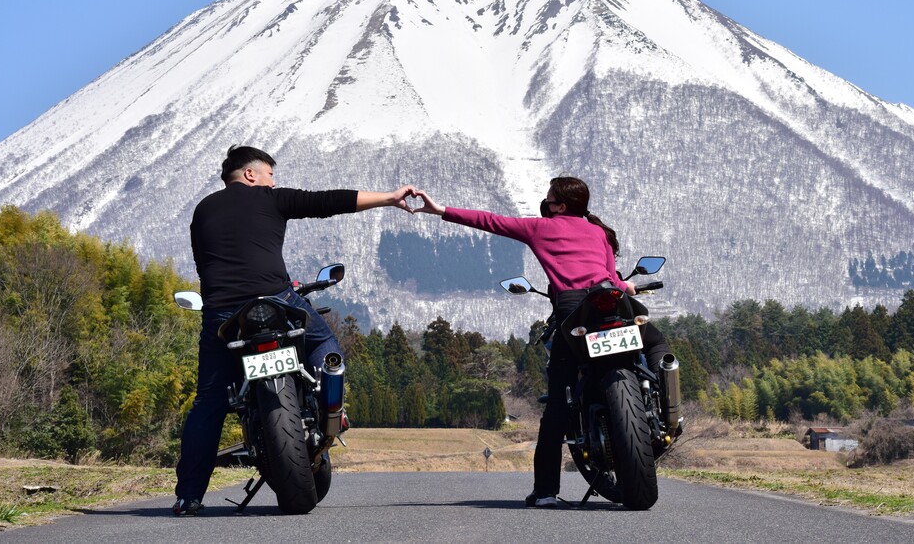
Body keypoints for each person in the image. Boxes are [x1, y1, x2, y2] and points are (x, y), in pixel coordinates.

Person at [173, 145, 415, 516]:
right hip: (275, 297)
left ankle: (189, 496)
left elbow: (203, 265)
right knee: (326, 344)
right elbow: (328, 201)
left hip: (223, 312)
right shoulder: (269, 198)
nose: (273, 181)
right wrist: (388, 197)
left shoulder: (203, 209)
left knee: (209, 402)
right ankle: (331, 408)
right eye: (270, 174)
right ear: (250, 175)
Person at [413, 176, 670, 508]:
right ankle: (666, 403)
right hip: (612, 299)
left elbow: (491, 222)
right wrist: (624, 285)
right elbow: (610, 275)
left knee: (558, 408)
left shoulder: (541, 228)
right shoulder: (600, 232)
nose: (545, 202)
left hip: (574, 309)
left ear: (560, 205)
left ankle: (546, 491)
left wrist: (440, 210)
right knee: (656, 340)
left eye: (549, 198)